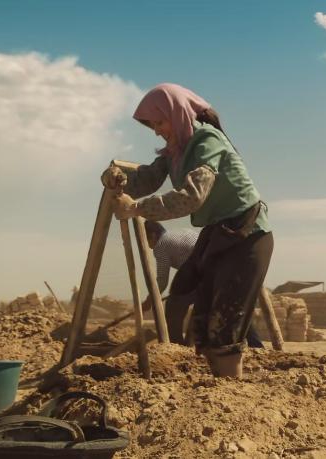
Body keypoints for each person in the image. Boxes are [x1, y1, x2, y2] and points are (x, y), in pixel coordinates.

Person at [101, 83, 273, 378]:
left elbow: (192, 196)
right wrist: (116, 177)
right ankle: (218, 387)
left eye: (159, 122)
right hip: (217, 233)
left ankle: (230, 394)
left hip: (246, 234)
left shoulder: (206, 140)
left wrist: (137, 209)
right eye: (152, 125)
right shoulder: (174, 152)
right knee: (195, 309)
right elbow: (147, 179)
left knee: (224, 330)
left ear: (178, 113)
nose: (156, 130)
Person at [142, 220, 265, 348]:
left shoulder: (161, 245)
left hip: (204, 273)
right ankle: (256, 345)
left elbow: (161, 281)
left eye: (147, 240)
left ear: (153, 235)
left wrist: (149, 301)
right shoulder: (180, 232)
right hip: (221, 269)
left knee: (174, 305)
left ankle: (176, 346)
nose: (149, 245)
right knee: (231, 308)